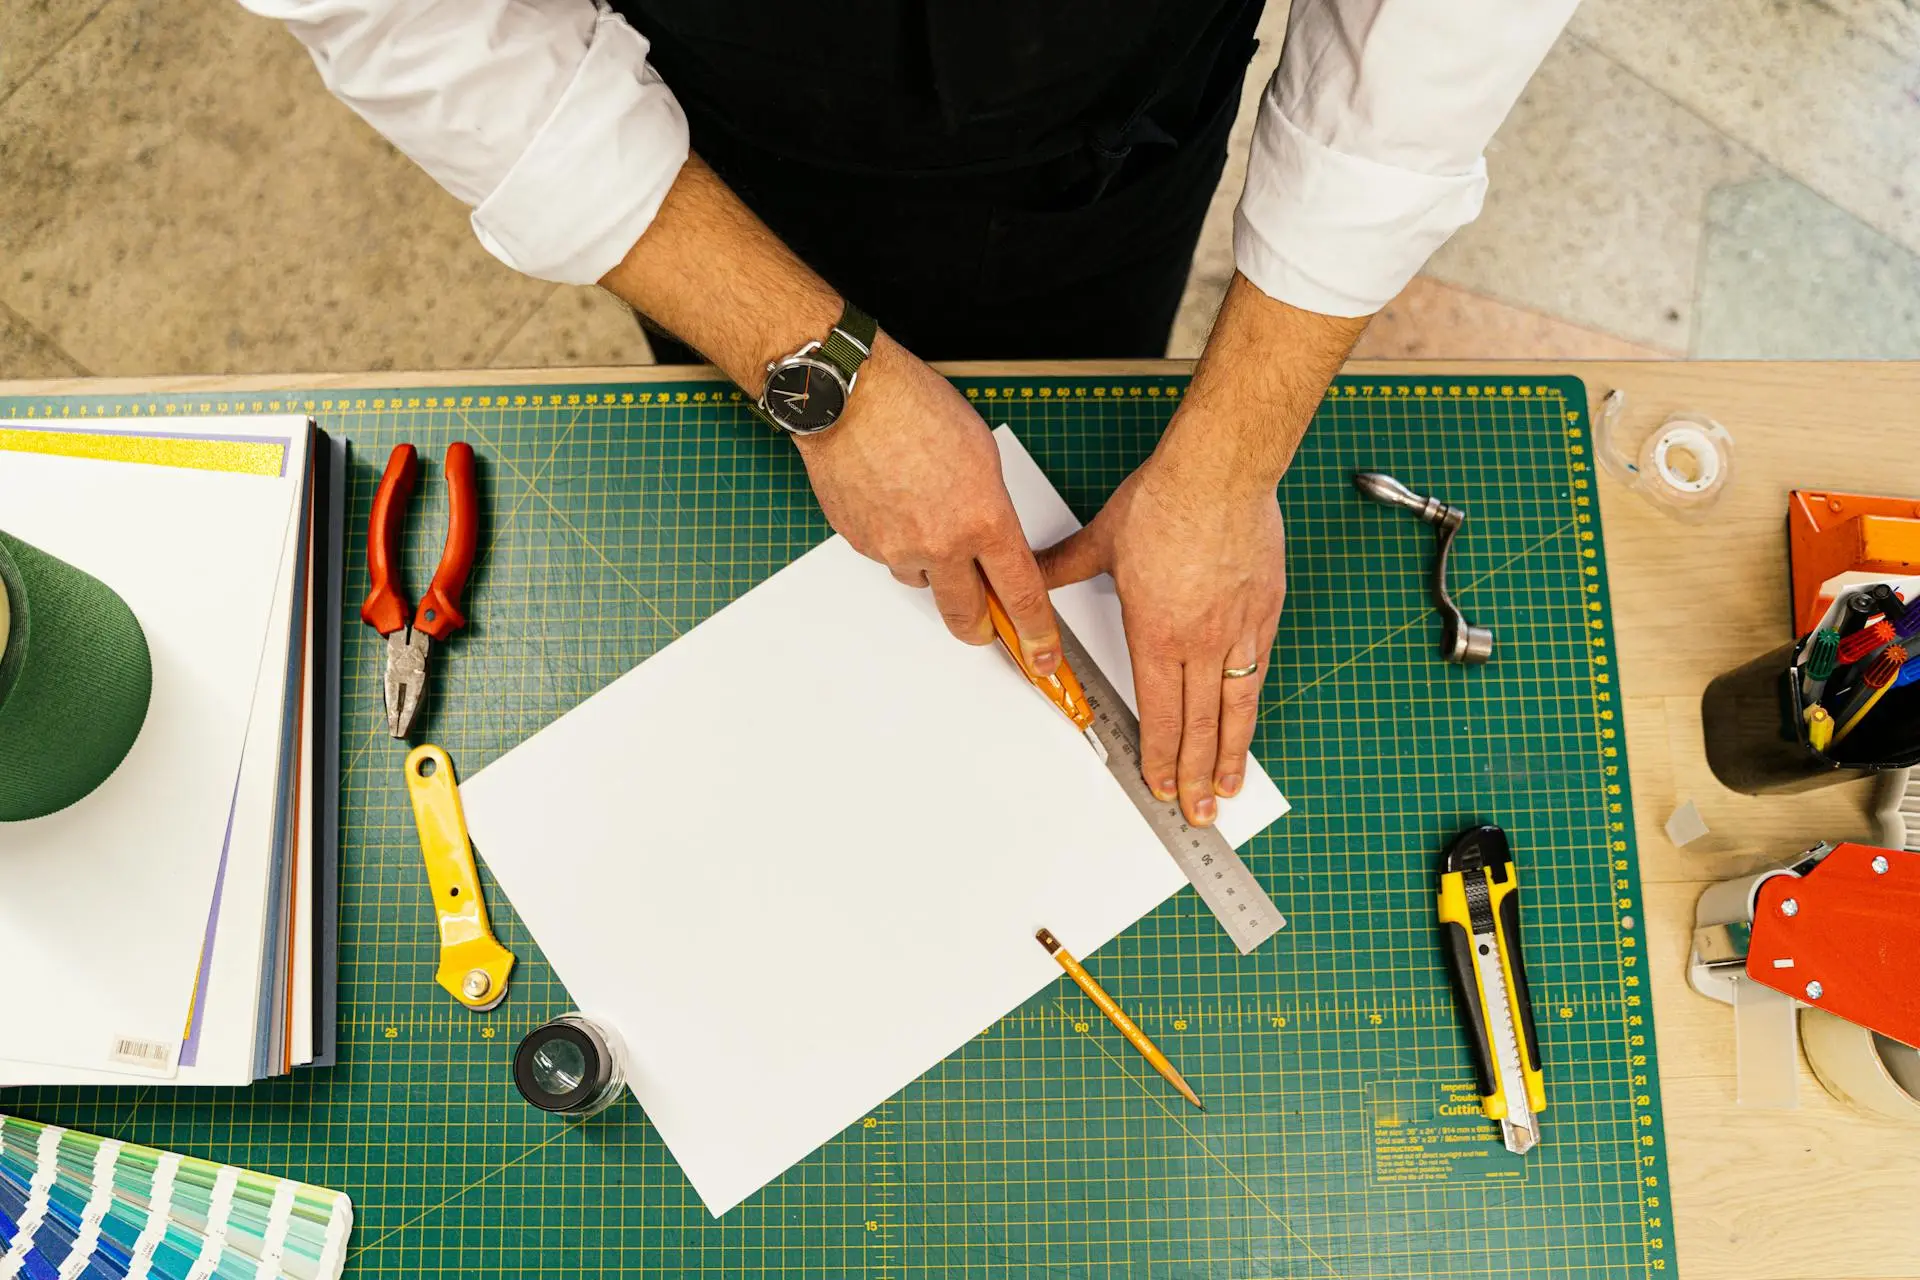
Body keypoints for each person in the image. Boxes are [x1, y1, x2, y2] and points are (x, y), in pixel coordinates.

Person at [242, 0, 1576, 826]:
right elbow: (404, 13)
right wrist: (809, 366)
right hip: (718, 144)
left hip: (1112, 145)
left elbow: (1430, 39)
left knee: (1090, 394)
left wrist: (1225, 471)